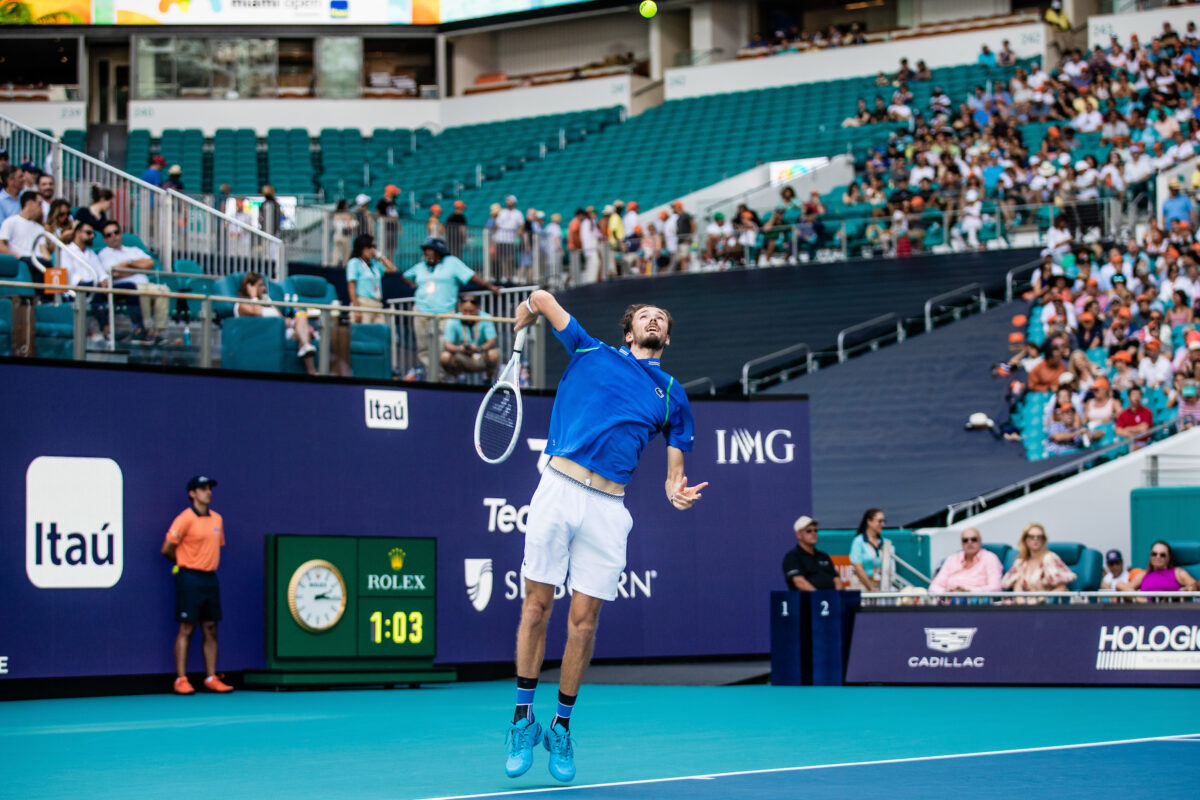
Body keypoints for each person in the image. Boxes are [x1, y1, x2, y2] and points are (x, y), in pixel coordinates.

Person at [504, 294, 702, 784]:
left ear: (666, 337)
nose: (654, 318)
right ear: (629, 332)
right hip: (559, 488)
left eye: (661, 317)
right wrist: (529, 307)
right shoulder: (589, 349)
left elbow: (673, 471)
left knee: (584, 624)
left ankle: (562, 726)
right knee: (536, 607)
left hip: (609, 508)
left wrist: (675, 492)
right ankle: (522, 719)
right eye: (645, 315)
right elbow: (544, 297)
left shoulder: (673, 394)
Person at [161, 476, 234, 695]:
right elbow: (167, 549)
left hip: (210, 578)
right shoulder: (184, 518)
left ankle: (211, 677)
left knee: (211, 627)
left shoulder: (217, 519)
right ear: (192, 493)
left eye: (209, 488)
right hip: (189, 578)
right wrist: (182, 563)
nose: (208, 492)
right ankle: (181, 679)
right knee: (187, 627)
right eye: (203, 489)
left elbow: (214, 547)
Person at [401, 236, 499, 377]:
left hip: (444, 313)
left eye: (430, 250)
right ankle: (431, 376)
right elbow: (405, 276)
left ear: (438, 251)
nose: (427, 253)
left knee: (442, 347)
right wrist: (413, 285)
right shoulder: (421, 266)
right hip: (421, 311)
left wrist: (489, 286)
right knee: (423, 348)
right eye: (426, 250)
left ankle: (440, 377)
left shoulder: (452, 262)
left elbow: (471, 276)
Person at [97, 220, 170, 342]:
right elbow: (114, 273)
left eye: (116, 232)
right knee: (140, 291)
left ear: (121, 233)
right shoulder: (104, 254)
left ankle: (158, 332)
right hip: (125, 288)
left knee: (164, 290)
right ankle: (145, 330)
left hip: (146, 284)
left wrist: (128, 263)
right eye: (109, 235)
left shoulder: (133, 250)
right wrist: (138, 267)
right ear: (104, 239)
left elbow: (150, 263)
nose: (113, 237)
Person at [235, 272, 316, 374]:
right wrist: (253, 296)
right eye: (260, 285)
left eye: (263, 285)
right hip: (265, 334)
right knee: (304, 333)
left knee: (301, 317)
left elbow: (279, 317)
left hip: (281, 330)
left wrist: (268, 303)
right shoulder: (241, 304)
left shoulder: (265, 301)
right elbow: (257, 312)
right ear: (249, 287)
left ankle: (307, 355)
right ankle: (310, 365)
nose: (264, 288)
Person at [1001, 523, 1076, 597]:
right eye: (1031, 537)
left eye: (1039, 537)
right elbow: (1016, 586)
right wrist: (1020, 600)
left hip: (1045, 602)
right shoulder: (1021, 562)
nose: (1035, 539)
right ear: (1025, 539)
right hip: (1025, 602)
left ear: (1043, 540)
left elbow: (1061, 587)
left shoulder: (1049, 558)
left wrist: (1042, 599)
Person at [439, 293, 499, 381]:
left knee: (494, 354)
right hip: (461, 355)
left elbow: (491, 341)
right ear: (460, 308)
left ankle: (489, 379)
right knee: (445, 356)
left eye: (471, 311)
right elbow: (447, 344)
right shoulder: (453, 319)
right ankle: (458, 378)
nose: (468, 315)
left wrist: (479, 348)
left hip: (481, 353)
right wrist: (459, 349)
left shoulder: (486, 317)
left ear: (478, 308)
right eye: (465, 311)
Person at [929, 528, 1004, 593]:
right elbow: (934, 586)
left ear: (980, 541)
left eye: (974, 539)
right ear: (961, 543)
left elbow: (996, 587)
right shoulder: (952, 559)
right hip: (948, 601)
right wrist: (947, 593)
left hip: (977, 602)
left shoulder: (990, 558)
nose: (969, 542)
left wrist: (968, 592)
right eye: (965, 540)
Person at [345, 233, 397, 324]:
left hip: (377, 304)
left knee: (380, 331)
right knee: (365, 331)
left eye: (373, 247)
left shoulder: (374, 264)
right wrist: (356, 309)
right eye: (369, 247)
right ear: (361, 248)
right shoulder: (354, 262)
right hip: (363, 303)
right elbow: (351, 286)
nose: (371, 250)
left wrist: (379, 255)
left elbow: (393, 269)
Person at [782, 515, 843, 591]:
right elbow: (799, 582)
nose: (813, 533)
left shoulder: (823, 556)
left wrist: (836, 595)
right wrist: (819, 596)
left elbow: (837, 579)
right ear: (798, 535)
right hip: (807, 598)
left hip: (831, 597)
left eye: (815, 530)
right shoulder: (792, 557)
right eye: (809, 531)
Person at [1120, 541, 1198, 591]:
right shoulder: (1143, 574)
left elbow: (1196, 585)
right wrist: (1141, 599)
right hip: (1146, 608)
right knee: (1119, 584)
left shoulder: (1178, 573)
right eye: (1154, 554)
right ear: (1150, 555)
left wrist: (1185, 590)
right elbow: (1127, 588)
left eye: (1162, 555)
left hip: (1170, 608)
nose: (1158, 557)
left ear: (1169, 557)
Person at [848, 508, 887, 591]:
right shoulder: (858, 541)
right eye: (879, 521)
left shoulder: (884, 542)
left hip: (880, 585)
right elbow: (858, 568)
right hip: (861, 585)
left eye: (884, 521)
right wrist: (871, 587)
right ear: (869, 521)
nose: (882, 524)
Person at [331, 199, 357, 267]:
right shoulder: (347, 214)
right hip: (344, 235)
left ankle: (333, 266)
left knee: (335, 253)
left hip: (336, 235)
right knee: (346, 253)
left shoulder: (336, 214)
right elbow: (348, 226)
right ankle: (345, 267)